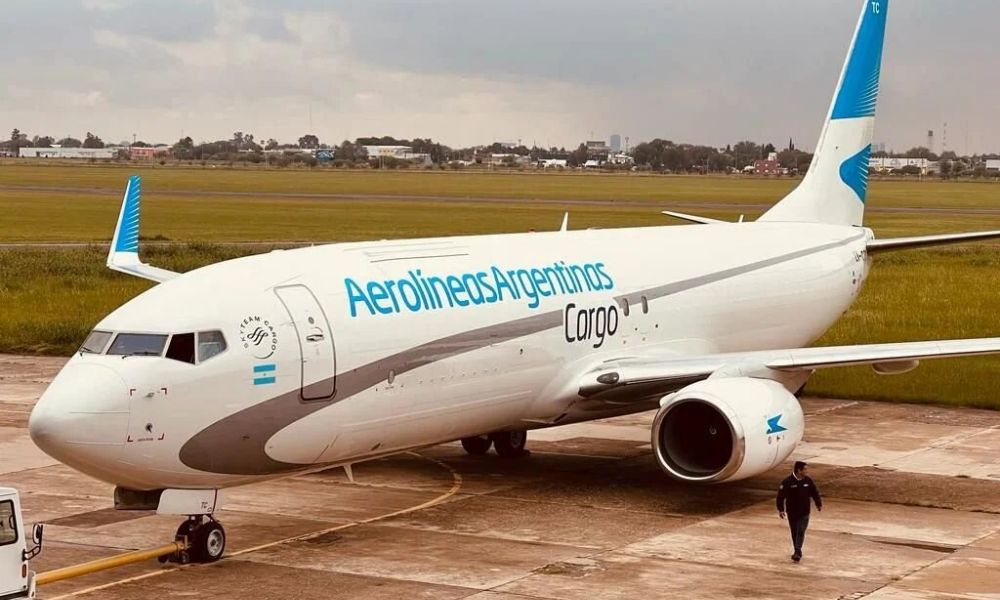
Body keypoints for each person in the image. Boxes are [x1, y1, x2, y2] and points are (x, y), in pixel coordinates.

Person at [776, 460, 822, 562]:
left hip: (804, 512)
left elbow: (814, 492)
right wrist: (781, 509)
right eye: (805, 469)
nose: (807, 471)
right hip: (792, 512)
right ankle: (797, 550)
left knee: (800, 530)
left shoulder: (808, 481)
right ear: (799, 470)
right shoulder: (787, 482)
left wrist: (818, 503)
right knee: (794, 532)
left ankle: (797, 551)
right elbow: (780, 496)